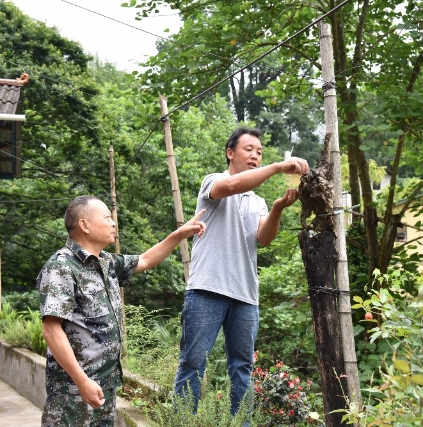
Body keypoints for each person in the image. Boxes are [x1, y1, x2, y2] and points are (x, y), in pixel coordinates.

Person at [173, 127, 309, 415]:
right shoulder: (214, 182)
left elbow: (264, 239)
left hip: (246, 296)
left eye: (259, 152)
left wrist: (276, 209)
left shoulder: (256, 201)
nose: (255, 155)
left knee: (242, 369)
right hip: (206, 289)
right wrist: (276, 167)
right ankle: (183, 421)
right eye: (249, 149)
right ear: (230, 153)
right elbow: (233, 187)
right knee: (193, 362)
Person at [38, 195, 206, 427]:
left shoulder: (106, 262)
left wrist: (179, 235)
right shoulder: (62, 266)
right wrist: (82, 382)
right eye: (107, 217)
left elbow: (145, 260)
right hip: (73, 391)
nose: (113, 223)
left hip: (104, 385)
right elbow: (51, 330)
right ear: (84, 225)